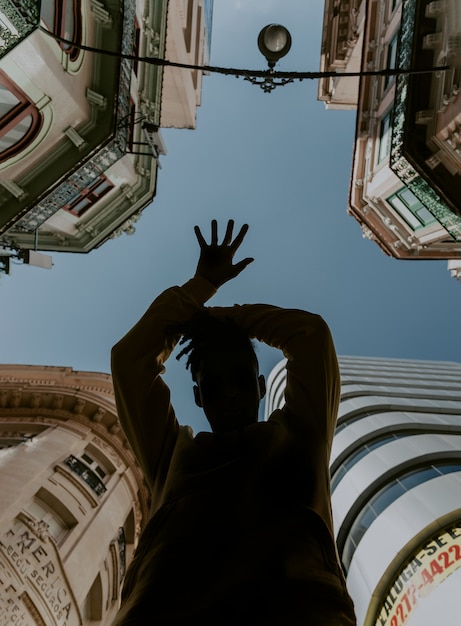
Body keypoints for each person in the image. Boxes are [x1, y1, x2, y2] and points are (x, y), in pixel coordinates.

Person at [110, 220, 357, 625]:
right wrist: (199, 289)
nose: (228, 394)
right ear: (197, 397)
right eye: (213, 385)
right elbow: (130, 360)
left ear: (262, 387)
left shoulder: (300, 435)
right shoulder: (171, 457)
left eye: (241, 379)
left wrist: (214, 319)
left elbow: (311, 335)